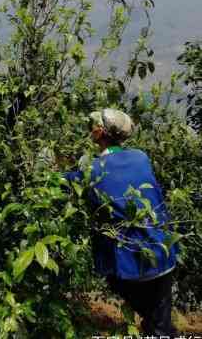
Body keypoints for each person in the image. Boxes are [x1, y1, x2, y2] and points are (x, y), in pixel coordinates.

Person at [65, 108, 178, 337]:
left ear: (98, 133)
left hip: (132, 267)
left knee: (155, 322)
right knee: (158, 320)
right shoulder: (140, 156)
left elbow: (63, 182)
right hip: (164, 254)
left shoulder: (91, 170)